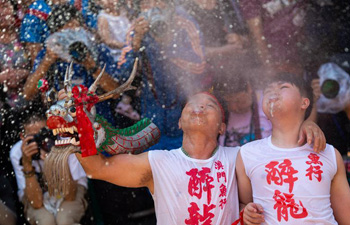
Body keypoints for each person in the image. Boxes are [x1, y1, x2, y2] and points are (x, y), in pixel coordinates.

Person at [75, 91, 326, 224]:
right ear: (180, 122)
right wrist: (79, 129)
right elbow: (97, 168)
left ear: (222, 128)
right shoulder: (158, 161)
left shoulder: (240, 156)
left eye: (210, 105)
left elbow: (285, 151)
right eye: (192, 104)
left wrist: (306, 126)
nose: (200, 107)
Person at [236, 73, 350, 224]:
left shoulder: (329, 153)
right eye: (268, 89)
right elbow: (242, 203)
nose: (273, 91)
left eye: (283, 87)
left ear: (304, 103)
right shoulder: (246, 153)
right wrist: (246, 212)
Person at [117, 0, 208, 149]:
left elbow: (200, 66)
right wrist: (137, 43)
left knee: (184, 164)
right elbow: (122, 75)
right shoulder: (136, 28)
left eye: (159, 1)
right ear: (139, 8)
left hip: (183, 113)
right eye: (146, 3)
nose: (154, 7)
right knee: (153, 165)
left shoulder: (184, 23)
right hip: (151, 115)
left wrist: (168, 44)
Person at [23, 3, 120, 124]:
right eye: (65, 36)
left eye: (76, 32)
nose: (72, 40)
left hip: (101, 125)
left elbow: (116, 93)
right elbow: (27, 93)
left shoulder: (97, 50)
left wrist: (92, 66)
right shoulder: (48, 55)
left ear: (84, 30)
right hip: (66, 129)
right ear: (54, 36)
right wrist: (46, 62)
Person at [10, 112, 88, 225]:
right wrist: (27, 165)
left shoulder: (67, 141)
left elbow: (70, 195)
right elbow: (36, 203)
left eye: (43, 134)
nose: (39, 142)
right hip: (37, 194)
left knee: (65, 220)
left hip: (71, 187)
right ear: (23, 137)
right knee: (46, 221)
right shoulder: (17, 152)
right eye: (33, 138)